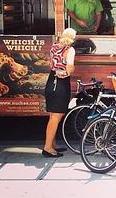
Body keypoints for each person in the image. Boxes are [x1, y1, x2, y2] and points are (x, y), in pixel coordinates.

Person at [42, 28, 76, 157]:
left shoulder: (54, 47)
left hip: (51, 81)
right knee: (56, 117)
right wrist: (70, 70)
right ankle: (48, 148)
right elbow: (70, 68)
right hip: (61, 84)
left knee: (53, 116)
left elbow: (53, 64)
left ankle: (52, 144)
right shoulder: (70, 50)